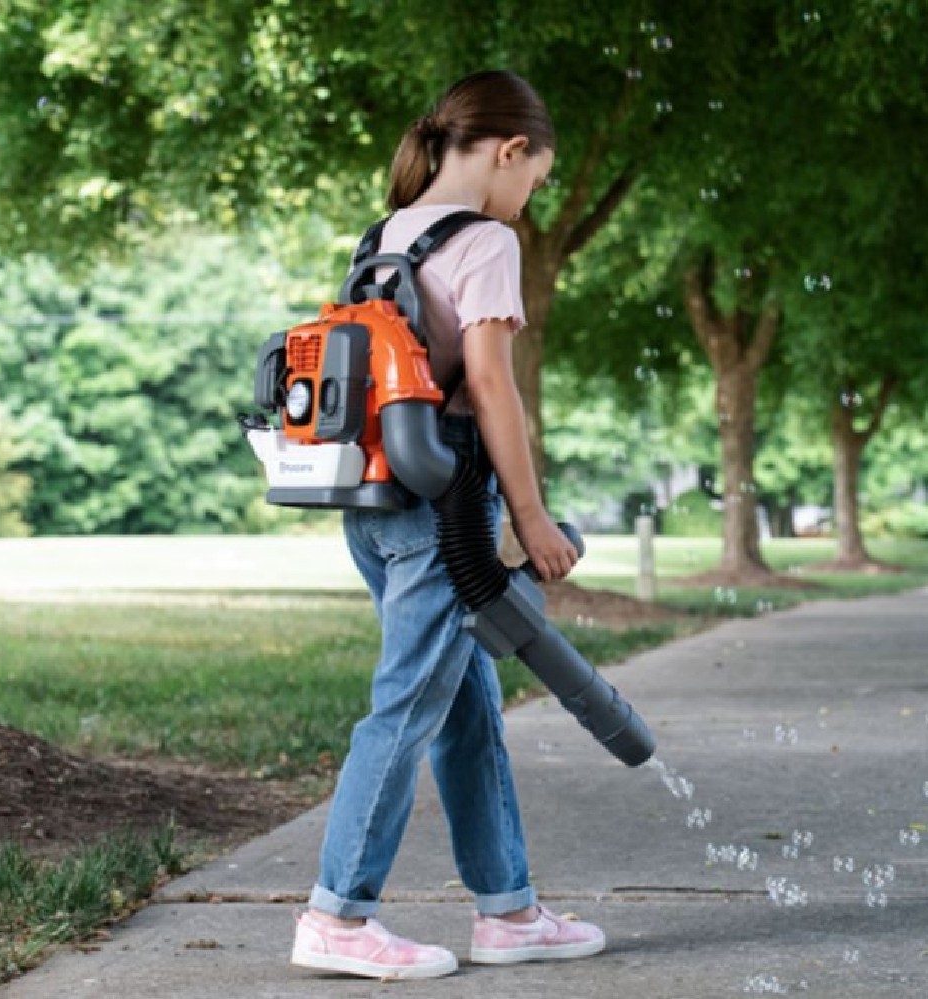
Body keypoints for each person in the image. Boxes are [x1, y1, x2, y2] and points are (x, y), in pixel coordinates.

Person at [290, 69, 600, 981]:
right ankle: (338, 915)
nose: (529, 201)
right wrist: (533, 519)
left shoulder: (380, 237)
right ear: (509, 152)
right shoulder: (488, 241)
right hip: (444, 512)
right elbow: (492, 385)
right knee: (408, 708)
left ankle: (507, 910)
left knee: (466, 708)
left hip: (374, 505)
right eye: (534, 181)